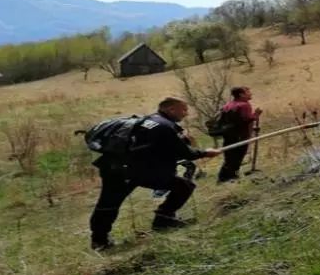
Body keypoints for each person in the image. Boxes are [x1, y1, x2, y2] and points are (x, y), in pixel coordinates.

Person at [88, 97, 220, 251]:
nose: (186, 113)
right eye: (183, 109)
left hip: (116, 167)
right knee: (183, 186)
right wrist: (206, 152)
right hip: (131, 170)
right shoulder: (165, 126)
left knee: (108, 203)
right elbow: (186, 153)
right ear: (171, 109)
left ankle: (99, 240)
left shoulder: (148, 120)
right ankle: (163, 221)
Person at [217, 86, 262, 183]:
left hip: (228, 136)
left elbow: (233, 122)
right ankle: (230, 178)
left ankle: (223, 178)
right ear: (241, 94)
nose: (250, 94)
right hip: (240, 137)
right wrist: (256, 115)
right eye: (248, 92)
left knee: (229, 158)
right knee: (236, 158)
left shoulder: (228, 105)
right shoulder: (244, 105)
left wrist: (253, 128)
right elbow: (245, 120)